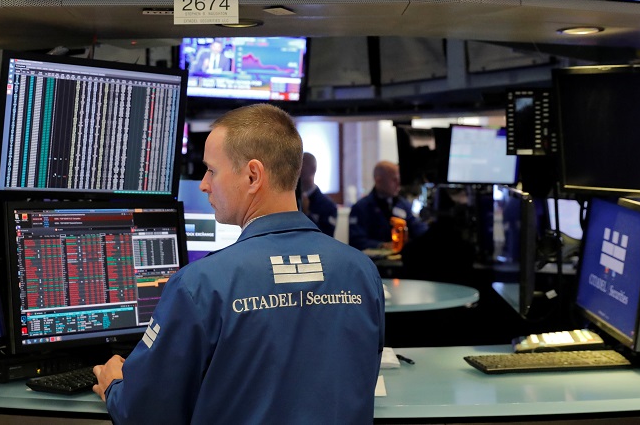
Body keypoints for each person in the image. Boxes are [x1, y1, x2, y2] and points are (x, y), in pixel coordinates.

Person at [93, 104, 385, 424]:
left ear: (252, 175)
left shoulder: (200, 285)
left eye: (212, 170)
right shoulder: (361, 272)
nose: (204, 184)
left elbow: (144, 413)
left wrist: (116, 386)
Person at [348, 160, 428, 251]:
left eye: (399, 180)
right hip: (374, 262)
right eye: (394, 180)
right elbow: (356, 241)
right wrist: (382, 245)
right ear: (379, 181)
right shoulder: (361, 208)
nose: (398, 184)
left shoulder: (403, 204)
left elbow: (418, 228)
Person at [299, 151, 338, 236]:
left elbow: (327, 236)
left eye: (302, 166)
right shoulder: (290, 199)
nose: (298, 171)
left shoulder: (328, 205)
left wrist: (307, 214)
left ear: (313, 169)